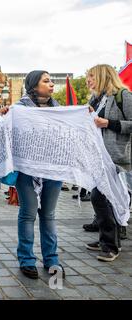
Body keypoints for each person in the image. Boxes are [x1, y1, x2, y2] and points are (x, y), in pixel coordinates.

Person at [0, 70, 65, 279]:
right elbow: (7, 132)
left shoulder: (60, 110)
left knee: (49, 214)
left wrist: (86, 113)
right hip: (27, 170)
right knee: (28, 213)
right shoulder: (19, 108)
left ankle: (51, 260)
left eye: (51, 81)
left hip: (53, 168)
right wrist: (6, 116)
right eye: (46, 81)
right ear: (34, 85)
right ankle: (27, 259)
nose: (51, 84)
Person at [84, 64, 131, 261]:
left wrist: (108, 123)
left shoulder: (123, 95)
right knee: (103, 198)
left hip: (116, 157)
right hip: (99, 158)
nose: (88, 81)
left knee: (100, 197)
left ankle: (110, 245)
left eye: (91, 77)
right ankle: (106, 239)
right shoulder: (96, 99)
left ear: (103, 76)